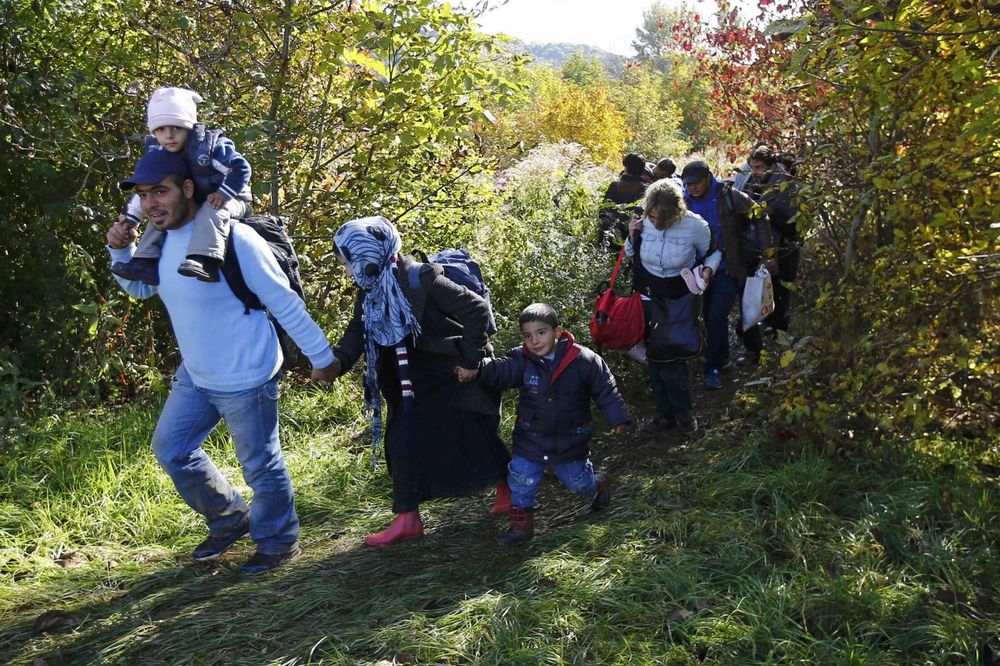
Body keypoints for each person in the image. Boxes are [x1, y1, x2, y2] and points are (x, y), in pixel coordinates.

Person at [105, 151, 338, 574]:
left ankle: (278, 543)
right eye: (144, 195)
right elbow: (141, 292)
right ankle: (230, 516)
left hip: (247, 374)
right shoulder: (160, 241)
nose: (152, 203)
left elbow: (282, 301)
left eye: (161, 191)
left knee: (261, 466)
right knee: (172, 450)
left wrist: (322, 357)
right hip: (197, 373)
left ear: (188, 189)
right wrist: (119, 253)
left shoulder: (234, 239)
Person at [327, 217, 511, 547]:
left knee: (473, 434)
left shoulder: (422, 279)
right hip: (405, 382)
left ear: (366, 255)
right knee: (402, 444)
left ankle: (509, 490)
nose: (346, 270)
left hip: (447, 376)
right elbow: (358, 331)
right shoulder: (370, 291)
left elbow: (475, 310)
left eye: (346, 262)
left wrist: (470, 361)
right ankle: (408, 518)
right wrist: (337, 362)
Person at [455, 303, 632, 545]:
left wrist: (618, 417)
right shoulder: (521, 359)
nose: (534, 341)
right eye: (527, 336)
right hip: (532, 438)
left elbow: (605, 389)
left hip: (570, 438)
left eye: (541, 333)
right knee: (521, 479)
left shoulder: (583, 360)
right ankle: (521, 526)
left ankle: (597, 486)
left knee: (578, 483)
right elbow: (502, 370)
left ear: (557, 332)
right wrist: (478, 369)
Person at [112, 87, 253, 286]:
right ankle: (145, 263)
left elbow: (241, 169)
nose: (169, 135)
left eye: (176, 128)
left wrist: (223, 193)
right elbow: (148, 190)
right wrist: (131, 220)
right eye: (161, 129)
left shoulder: (210, 147)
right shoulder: (160, 153)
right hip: (198, 196)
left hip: (233, 197)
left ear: (189, 126)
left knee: (212, 210)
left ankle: (205, 260)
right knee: (159, 214)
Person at [626, 179, 720, 435]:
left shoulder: (694, 225)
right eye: (652, 216)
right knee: (655, 355)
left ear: (675, 212)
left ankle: (683, 412)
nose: (655, 222)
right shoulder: (644, 221)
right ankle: (664, 412)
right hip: (649, 294)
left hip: (681, 295)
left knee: (675, 355)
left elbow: (713, 252)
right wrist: (632, 235)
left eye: (661, 218)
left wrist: (709, 270)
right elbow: (630, 253)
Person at [681, 160, 775, 388]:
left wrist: (767, 252)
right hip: (697, 270)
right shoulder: (682, 201)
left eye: (696, 183)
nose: (692, 188)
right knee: (708, 316)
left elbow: (759, 216)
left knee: (717, 316)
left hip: (729, 267)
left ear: (707, 178)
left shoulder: (729, 195)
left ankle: (713, 367)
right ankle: (721, 359)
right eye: (688, 184)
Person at [738, 145, 799, 334]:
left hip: (783, 249)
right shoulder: (748, 181)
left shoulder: (786, 186)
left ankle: (779, 335)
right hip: (754, 248)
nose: (755, 171)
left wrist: (773, 214)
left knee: (780, 293)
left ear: (771, 166)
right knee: (754, 292)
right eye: (753, 167)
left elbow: (795, 222)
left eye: (759, 167)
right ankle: (756, 338)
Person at [599, 153, 648, 249]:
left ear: (626, 167)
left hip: (607, 232)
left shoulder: (614, 185)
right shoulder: (645, 189)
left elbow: (603, 210)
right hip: (629, 236)